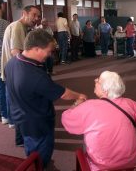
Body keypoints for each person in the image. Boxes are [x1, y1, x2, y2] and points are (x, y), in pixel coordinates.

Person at [5, 29, 87, 169]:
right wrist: (79, 96)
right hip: (37, 121)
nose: (50, 55)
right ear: (36, 49)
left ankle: (34, 161)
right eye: (48, 51)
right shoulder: (34, 75)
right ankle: (39, 165)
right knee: (40, 149)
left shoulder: (13, 61)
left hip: (20, 113)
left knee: (29, 143)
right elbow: (63, 94)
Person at [62, 70, 136, 171]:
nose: (95, 80)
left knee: (86, 141)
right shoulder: (129, 103)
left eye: (98, 80)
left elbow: (66, 118)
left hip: (102, 167)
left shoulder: (89, 106)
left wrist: (78, 102)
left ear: (105, 90)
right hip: (130, 166)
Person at [1, 5, 40, 146]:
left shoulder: (22, 28)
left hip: (14, 72)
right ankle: (21, 138)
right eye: (34, 15)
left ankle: (20, 134)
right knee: (22, 106)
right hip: (17, 73)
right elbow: (16, 52)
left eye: (38, 16)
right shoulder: (17, 26)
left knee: (18, 104)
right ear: (24, 13)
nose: (36, 19)